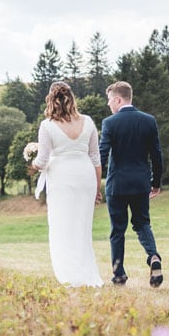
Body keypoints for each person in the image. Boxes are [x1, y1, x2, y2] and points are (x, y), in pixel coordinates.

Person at [30, 81, 104, 287]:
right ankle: (87, 274)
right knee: (82, 227)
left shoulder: (47, 126)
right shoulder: (88, 122)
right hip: (85, 177)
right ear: (72, 98)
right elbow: (96, 159)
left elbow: (43, 161)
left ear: (51, 100)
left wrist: (32, 163)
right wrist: (97, 188)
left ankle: (70, 274)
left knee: (62, 226)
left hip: (61, 178)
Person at [99, 80, 164, 287]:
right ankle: (153, 256)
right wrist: (156, 181)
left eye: (110, 100)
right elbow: (157, 154)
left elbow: (102, 155)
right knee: (142, 223)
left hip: (117, 185)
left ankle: (119, 274)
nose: (109, 104)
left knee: (117, 230)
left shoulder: (110, 123)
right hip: (140, 184)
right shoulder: (149, 121)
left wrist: (95, 181)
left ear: (118, 99)